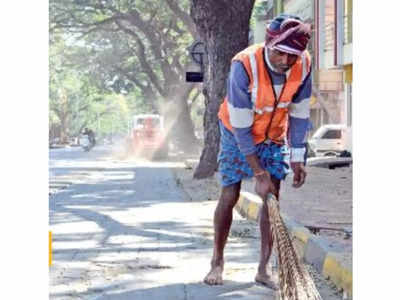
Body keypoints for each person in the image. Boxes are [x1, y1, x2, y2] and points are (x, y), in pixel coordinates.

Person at [203, 14, 312, 290]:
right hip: (236, 132)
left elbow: (299, 116)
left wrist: (298, 159)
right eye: (281, 54)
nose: (286, 62)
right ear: (269, 43)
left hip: (273, 135)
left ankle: (263, 269)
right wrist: (258, 172)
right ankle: (217, 261)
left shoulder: (304, 65)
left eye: (293, 56)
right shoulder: (244, 65)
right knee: (231, 193)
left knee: (273, 196)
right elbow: (241, 127)